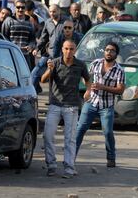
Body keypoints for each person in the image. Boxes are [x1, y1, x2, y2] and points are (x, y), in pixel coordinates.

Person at [41, 40, 91, 178]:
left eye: (71, 49)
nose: (69, 52)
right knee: (48, 135)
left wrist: (88, 91)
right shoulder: (55, 63)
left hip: (71, 106)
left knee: (70, 139)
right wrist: (49, 70)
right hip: (55, 104)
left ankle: (69, 168)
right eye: (66, 49)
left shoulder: (80, 65)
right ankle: (51, 164)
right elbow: (43, 80)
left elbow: (88, 79)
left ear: (75, 50)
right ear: (62, 49)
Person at [76, 42, 126, 168]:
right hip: (91, 102)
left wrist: (102, 87)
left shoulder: (119, 70)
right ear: (104, 51)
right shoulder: (96, 63)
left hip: (106, 105)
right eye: (107, 50)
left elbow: (120, 90)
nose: (109, 52)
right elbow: (87, 78)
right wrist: (88, 89)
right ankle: (71, 156)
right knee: (80, 130)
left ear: (116, 54)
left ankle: (111, 158)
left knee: (108, 132)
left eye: (112, 50)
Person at [1, 0, 36, 69]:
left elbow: (32, 40)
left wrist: (30, 46)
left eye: (23, 7)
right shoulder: (9, 20)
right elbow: (3, 38)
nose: (20, 9)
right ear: (14, 8)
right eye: (18, 7)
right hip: (10, 55)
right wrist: (13, 47)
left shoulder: (30, 22)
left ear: (25, 8)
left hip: (25, 56)